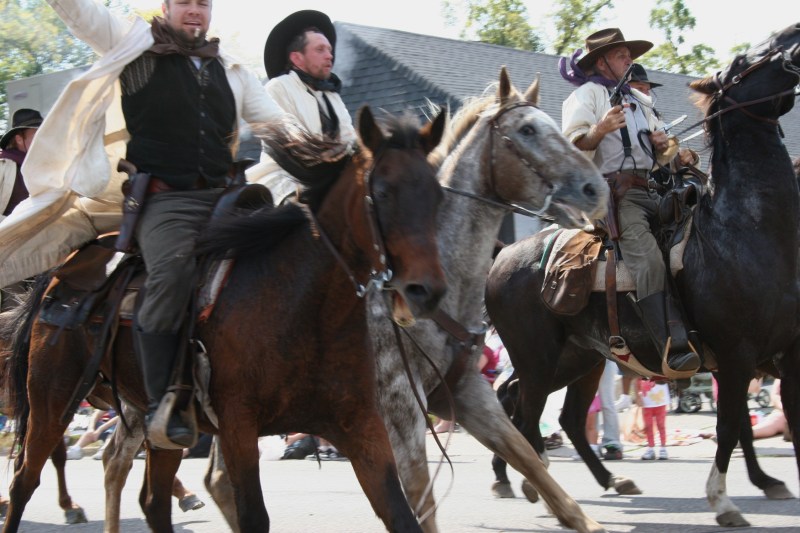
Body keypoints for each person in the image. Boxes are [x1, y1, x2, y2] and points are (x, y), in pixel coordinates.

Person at [33, 0, 290, 448]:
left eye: (203, 4)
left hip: (228, 196)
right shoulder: (135, 46)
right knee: (171, 272)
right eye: (185, 3)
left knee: (288, 253)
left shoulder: (231, 68)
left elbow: (277, 128)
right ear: (167, 7)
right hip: (168, 203)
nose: (195, 11)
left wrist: (329, 156)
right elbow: (81, 14)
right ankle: (164, 400)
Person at [560, 28, 701, 373]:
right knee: (649, 261)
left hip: (651, 189)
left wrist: (668, 149)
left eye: (629, 54)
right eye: (622, 55)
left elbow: (661, 156)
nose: (630, 60)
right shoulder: (586, 96)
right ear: (601, 61)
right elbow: (570, 149)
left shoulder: (639, 100)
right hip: (614, 196)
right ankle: (671, 344)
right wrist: (600, 130)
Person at [0, 108, 43, 311]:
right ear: (19, 138)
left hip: (42, 243)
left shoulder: (45, 167)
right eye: (36, 135)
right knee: (14, 304)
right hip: (10, 249)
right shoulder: (3, 165)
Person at [637, 379, 670, 459]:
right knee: (648, 425)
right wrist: (637, 396)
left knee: (661, 424)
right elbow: (636, 378)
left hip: (660, 400)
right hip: (646, 401)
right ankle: (650, 448)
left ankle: (663, 448)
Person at [597, 359, 624, 460]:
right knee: (590, 405)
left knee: (607, 402)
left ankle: (612, 442)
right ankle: (591, 443)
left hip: (606, 358)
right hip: (585, 355)